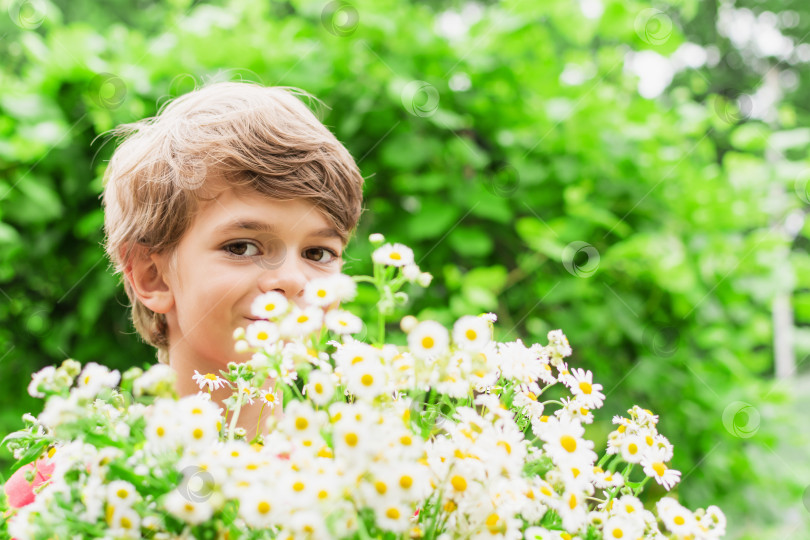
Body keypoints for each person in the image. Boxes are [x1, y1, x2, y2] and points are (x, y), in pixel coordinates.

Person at [101, 81, 365, 439]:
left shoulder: (376, 476)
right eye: (242, 247)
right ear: (152, 276)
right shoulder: (63, 483)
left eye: (317, 253)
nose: (290, 279)